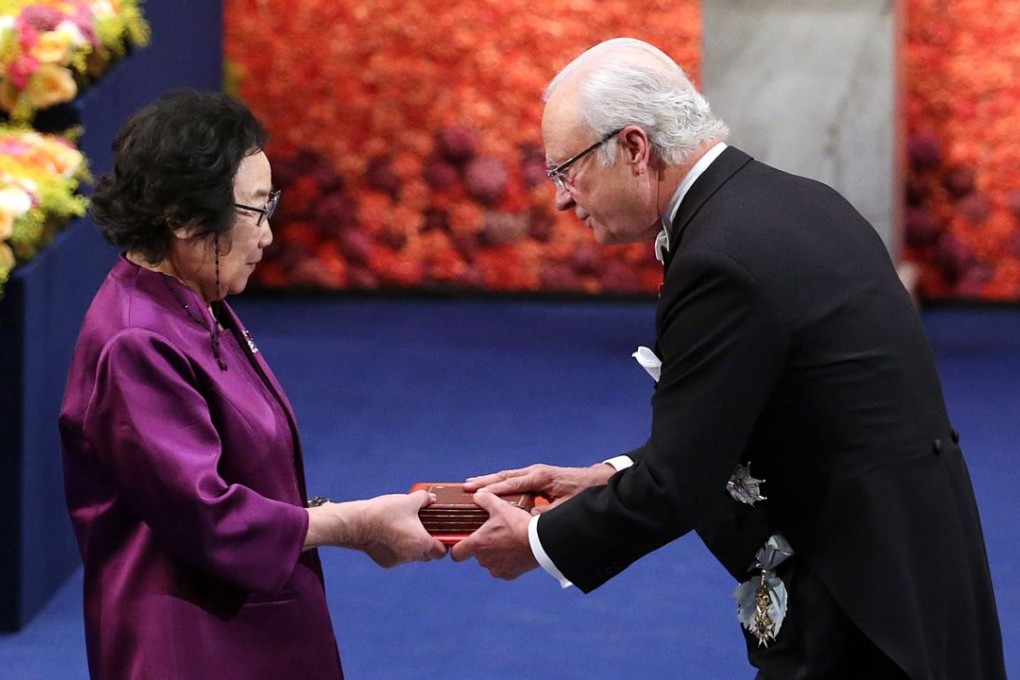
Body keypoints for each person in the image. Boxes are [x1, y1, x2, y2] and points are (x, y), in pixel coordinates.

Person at [451, 38, 1005, 679]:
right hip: (912, 568)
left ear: (634, 148)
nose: (562, 200)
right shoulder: (791, 200)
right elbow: (744, 418)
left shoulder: (720, 258)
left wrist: (538, 541)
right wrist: (601, 478)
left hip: (857, 607)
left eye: (565, 171)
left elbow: (676, 485)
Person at [58, 90, 447, 680]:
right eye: (256, 209)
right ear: (184, 217)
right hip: (188, 649)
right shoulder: (136, 341)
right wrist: (358, 525)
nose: (268, 233)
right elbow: (208, 518)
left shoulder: (193, 299)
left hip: (246, 625)